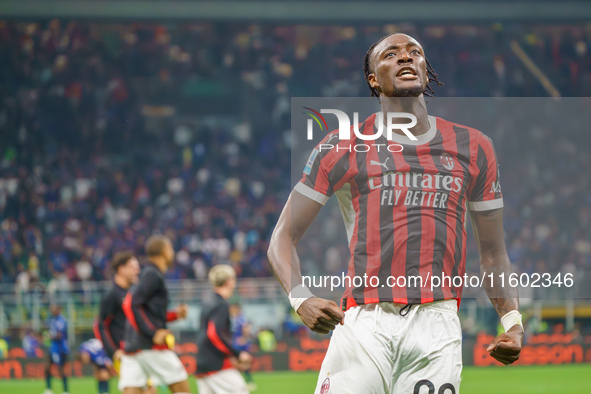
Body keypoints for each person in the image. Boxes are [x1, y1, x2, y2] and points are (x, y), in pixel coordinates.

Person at [268, 33, 523, 393]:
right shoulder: (341, 146)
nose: (406, 57)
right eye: (391, 54)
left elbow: (494, 252)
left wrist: (511, 321)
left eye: (414, 52)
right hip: (363, 323)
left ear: (424, 68)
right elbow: (282, 237)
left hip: (437, 325)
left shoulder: (475, 147)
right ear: (374, 78)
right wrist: (300, 298)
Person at [119, 235, 190, 394]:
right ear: (164, 251)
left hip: (133, 347)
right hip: (151, 346)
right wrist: (153, 333)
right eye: (170, 249)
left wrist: (174, 315)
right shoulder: (152, 274)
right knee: (182, 389)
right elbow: (130, 304)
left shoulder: (148, 274)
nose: (172, 252)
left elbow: (149, 311)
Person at [196, 265, 252, 394]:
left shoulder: (208, 302)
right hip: (216, 365)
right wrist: (237, 354)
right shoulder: (221, 305)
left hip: (203, 363)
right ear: (229, 281)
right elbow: (214, 334)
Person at [230, 302, 256, 391]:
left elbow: (246, 329)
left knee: (243, 363)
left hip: (241, 344)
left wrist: (244, 339)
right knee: (236, 363)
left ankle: (249, 382)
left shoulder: (241, 319)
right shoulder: (234, 319)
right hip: (234, 344)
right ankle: (242, 382)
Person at [43, 305, 69, 394]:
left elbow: (59, 335)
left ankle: (65, 390)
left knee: (61, 369)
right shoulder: (52, 320)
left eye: (53, 308)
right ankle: (48, 389)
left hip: (61, 348)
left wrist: (50, 336)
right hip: (53, 348)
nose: (51, 310)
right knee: (47, 367)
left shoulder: (62, 320)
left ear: (58, 309)